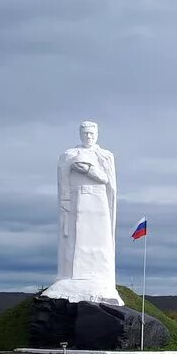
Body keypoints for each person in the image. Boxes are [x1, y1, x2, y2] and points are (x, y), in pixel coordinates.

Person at [43, 121, 123, 305]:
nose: (89, 137)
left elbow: (107, 180)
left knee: (98, 237)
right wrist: (65, 201)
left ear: (97, 134)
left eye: (92, 134)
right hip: (77, 198)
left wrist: (89, 170)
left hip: (98, 200)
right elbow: (62, 180)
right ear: (80, 134)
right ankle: (72, 276)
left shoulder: (105, 155)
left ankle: (98, 276)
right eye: (86, 133)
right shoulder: (70, 154)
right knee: (76, 237)